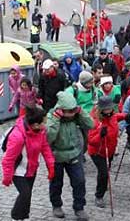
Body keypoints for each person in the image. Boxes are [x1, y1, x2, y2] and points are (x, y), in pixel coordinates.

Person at [1, 105, 55, 221]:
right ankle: (15, 216)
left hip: (31, 168)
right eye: (43, 123)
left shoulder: (40, 131)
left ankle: (24, 216)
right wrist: (7, 176)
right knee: (25, 194)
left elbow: (45, 148)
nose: (45, 125)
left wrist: (51, 167)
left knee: (28, 194)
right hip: (18, 171)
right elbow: (8, 159)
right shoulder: (18, 136)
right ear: (35, 124)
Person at [46, 92, 94, 221]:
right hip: (56, 155)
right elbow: (48, 137)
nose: (72, 113)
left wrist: (81, 112)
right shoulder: (51, 116)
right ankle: (56, 205)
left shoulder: (76, 116)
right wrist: (56, 120)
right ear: (61, 109)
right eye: (69, 111)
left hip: (74, 153)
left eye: (73, 110)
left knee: (79, 181)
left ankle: (79, 208)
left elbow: (91, 125)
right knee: (56, 183)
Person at [87, 96, 125, 207]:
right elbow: (91, 141)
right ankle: (99, 196)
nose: (109, 110)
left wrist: (126, 116)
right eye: (106, 109)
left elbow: (116, 117)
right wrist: (100, 135)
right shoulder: (94, 121)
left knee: (106, 170)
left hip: (110, 149)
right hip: (97, 152)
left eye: (110, 108)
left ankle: (103, 184)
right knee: (103, 173)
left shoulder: (112, 115)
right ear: (101, 109)